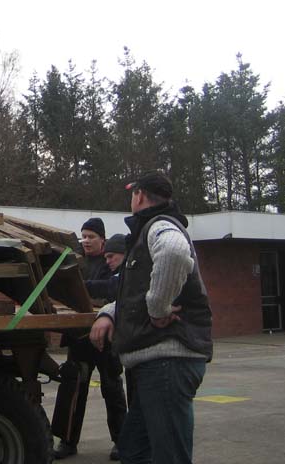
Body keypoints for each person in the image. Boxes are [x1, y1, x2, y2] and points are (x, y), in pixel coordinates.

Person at [90, 171, 213, 464]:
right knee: (133, 449)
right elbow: (135, 292)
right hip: (156, 365)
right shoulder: (147, 232)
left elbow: (174, 252)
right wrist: (109, 313)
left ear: (140, 195)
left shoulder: (159, 226)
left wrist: (158, 309)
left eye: (131, 192)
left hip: (167, 362)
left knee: (168, 456)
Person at [53, 219, 128, 461]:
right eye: (83, 236)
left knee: (112, 388)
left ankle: (121, 441)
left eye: (91, 236)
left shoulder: (111, 261)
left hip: (106, 338)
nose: (86, 240)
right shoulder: (76, 262)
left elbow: (113, 288)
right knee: (73, 387)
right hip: (79, 337)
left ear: (102, 240)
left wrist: (82, 288)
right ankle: (67, 441)